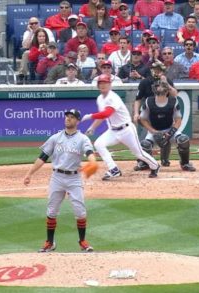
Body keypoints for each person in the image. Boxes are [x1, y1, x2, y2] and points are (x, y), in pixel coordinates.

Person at [23, 109, 96, 253]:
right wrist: (29, 173)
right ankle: (50, 242)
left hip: (74, 178)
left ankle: (82, 241)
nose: (68, 119)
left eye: (72, 117)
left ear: (78, 121)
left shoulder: (82, 139)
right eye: (67, 116)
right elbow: (43, 157)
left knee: (80, 211)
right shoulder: (55, 138)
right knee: (51, 210)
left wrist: (93, 162)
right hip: (57, 177)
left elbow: (89, 153)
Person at [81, 74, 161, 180]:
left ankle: (155, 165)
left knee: (138, 153)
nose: (103, 85)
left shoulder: (113, 97)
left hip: (126, 130)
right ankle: (114, 169)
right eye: (100, 83)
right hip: (113, 131)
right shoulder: (100, 98)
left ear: (110, 85)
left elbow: (106, 113)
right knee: (98, 144)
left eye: (105, 83)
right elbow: (102, 115)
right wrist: (92, 127)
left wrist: (90, 116)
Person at [136, 80, 196, 172]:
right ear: (154, 89)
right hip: (154, 130)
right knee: (145, 144)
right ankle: (145, 163)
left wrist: (170, 132)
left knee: (183, 140)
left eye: (163, 86)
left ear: (167, 90)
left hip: (169, 128)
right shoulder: (149, 101)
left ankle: (185, 163)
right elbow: (143, 119)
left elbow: (178, 120)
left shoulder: (173, 101)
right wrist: (153, 131)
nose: (160, 88)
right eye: (158, 86)